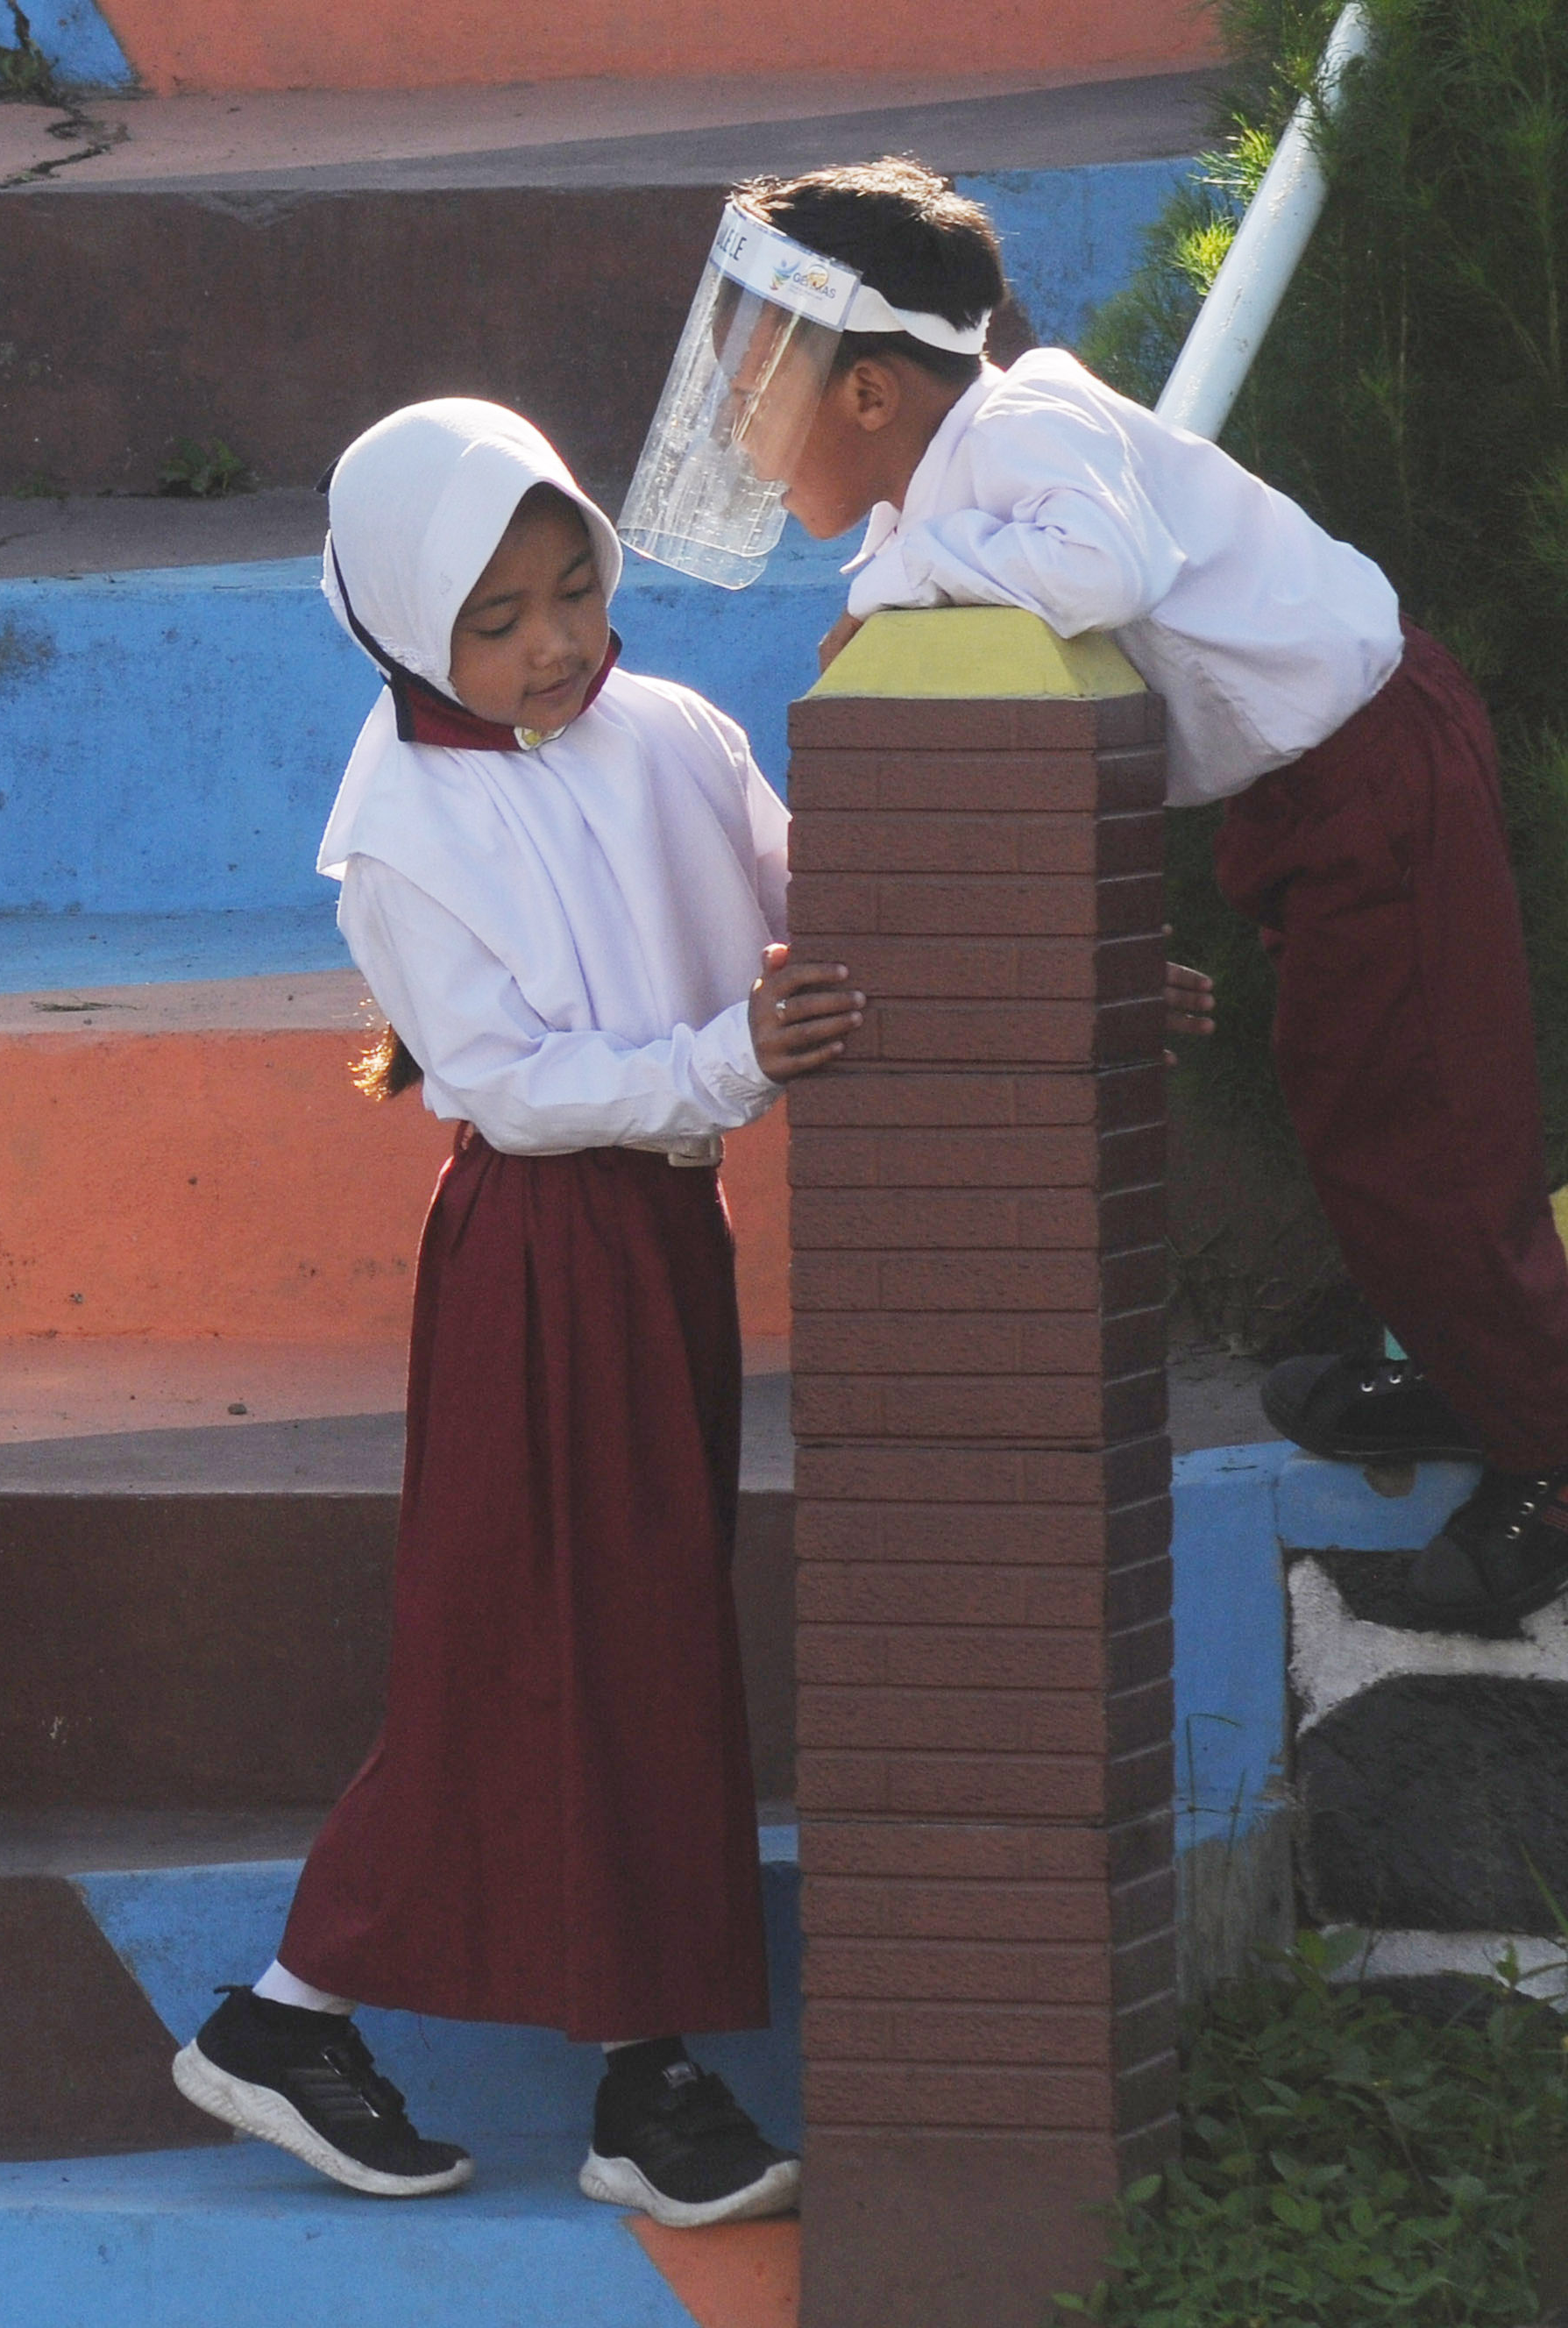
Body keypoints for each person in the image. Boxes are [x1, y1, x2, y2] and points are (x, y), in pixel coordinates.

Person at [657, 158, 1559, 1629]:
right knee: (1362, 1116)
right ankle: (1483, 1373)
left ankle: (1552, 1452)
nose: (731, 424)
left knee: (1421, 1143)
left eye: (754, 377)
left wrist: (902, 586)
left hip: (1373, 771)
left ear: (873, 392)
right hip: (1307, 792)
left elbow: (1104, 563)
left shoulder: (1029, 417)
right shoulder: (944, 490)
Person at [171, 399, 850, 2229]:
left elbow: (809, 880)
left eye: (568, 587)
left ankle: (627, 2071)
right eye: (494, 615)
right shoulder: (392, 826)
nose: (550, 640)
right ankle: (302, 2016)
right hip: (540, 1254)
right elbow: (513, 1083)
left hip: (659, 1236)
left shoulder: (669, 731)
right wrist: (729, 1052)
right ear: (403, 622)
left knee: (640, 1636)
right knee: (525, 1647)